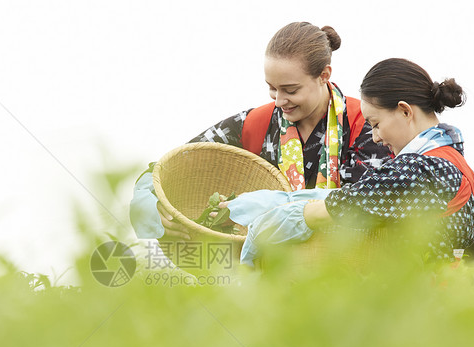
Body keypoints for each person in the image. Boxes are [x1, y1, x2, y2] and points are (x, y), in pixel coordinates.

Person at [130, 22, 392, 241]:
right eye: (272, 88)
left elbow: (369, 200)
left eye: (290, 90)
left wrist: (270, 206)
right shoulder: (257, 122)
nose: (279, 101)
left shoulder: (367, 124)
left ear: (324, 75)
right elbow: (171, 165)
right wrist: (154, 210)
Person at [226, 58, 474, 264]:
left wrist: (266, 226)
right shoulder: (453, 160)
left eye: (376, 124)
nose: (376, 138)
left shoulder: (421, 170)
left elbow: (337, 206)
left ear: (405, 111)